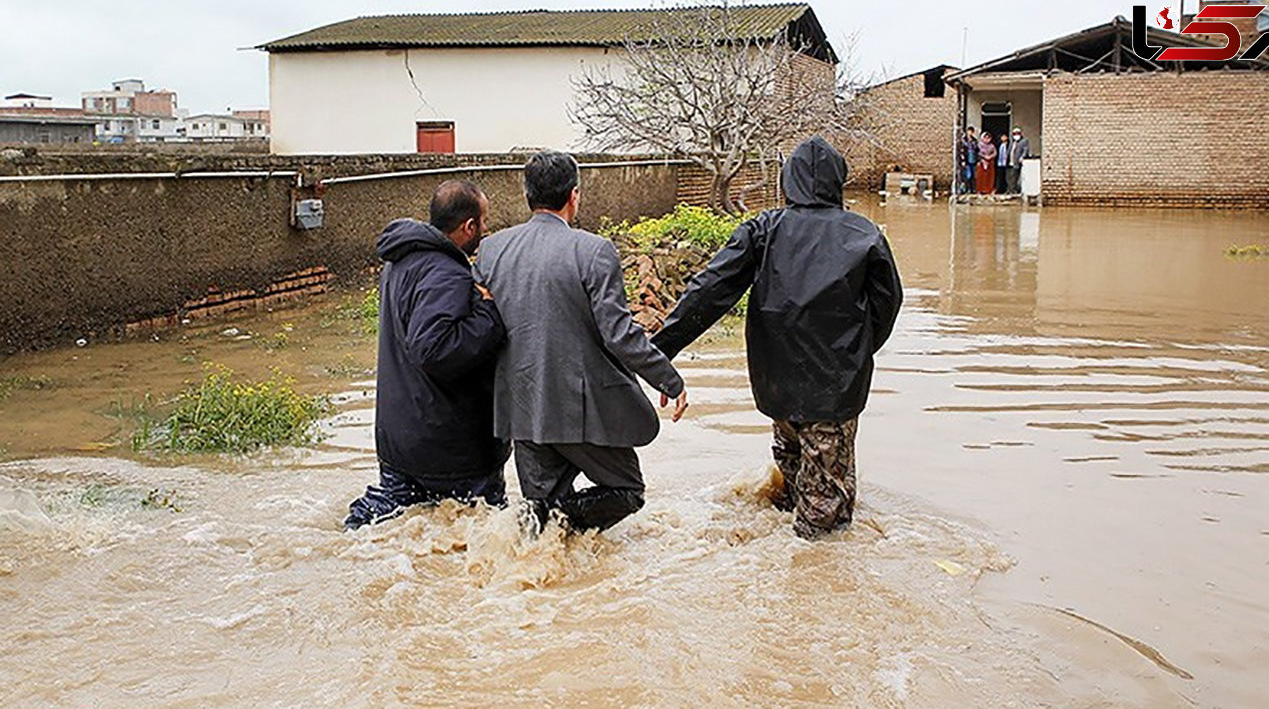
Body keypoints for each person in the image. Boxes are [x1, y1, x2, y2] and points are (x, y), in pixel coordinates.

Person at [651, 137, 904, 540]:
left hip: (777, 389)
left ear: (789, 182)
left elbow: (710, 292)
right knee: (825, 517)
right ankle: (813, 585)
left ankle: (788, 566)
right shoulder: (865, 235)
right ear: (838, 182)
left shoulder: (762, 230)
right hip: (835, 391)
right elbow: (888, 305)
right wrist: (855, 352)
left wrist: (659, 351)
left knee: (792, 482)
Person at [475, 151, 689, 533]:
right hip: (580, 412)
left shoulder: (493, 250)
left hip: (522, 407)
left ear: (528, 195)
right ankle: (560, 524)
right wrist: (669, 380)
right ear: (574, 196)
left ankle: (541, 555)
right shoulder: (593, 250)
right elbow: (619, 333)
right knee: (627, 489)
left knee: (538, 515)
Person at [345, 181, 508, 530]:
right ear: (468, 227)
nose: (487, 229)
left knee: (391, 531)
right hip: (450, 448)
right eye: (484, 221)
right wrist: (489, 314)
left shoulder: (400, 262)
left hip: (400, 441)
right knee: (481, 539)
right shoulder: (446, 273)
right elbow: (435, 351)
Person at [1007, 127, 1031, 195]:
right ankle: (1010, 189)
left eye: (1018, 133)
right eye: (1014, 134)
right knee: (1009, 176)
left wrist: (1022, 157)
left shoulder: (1024, 141)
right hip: (1010, 161)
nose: (1016, 135)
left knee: (1015, 176)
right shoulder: (1012, 141)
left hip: (1017, 162)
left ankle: (1014, 190)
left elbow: (1025, 150)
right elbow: (1009, 150)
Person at [975, 131, 997, 195]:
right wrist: (984, 157)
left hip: (990, 162)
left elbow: (995, 153)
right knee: (981, 177)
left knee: (989, 177)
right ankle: (980, 190)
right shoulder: (979, 145)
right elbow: (977, 153)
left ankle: (989, 190)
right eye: (985, 138)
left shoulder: (992, 146)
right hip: (981, 162)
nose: (987, 139)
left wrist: (990, 157)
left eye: (988, 138)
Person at [961, 126, 978, 193]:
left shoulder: (974, 140)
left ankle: (972, 189)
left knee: (973, 175)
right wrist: (963, 160)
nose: (970, 133)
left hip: (973, 160)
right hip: (967, 160)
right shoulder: (964, 140)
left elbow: (977, 150)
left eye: (971, 131)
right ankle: (966, 189)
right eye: (969, 131)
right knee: (968, 175)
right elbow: (962, 151)